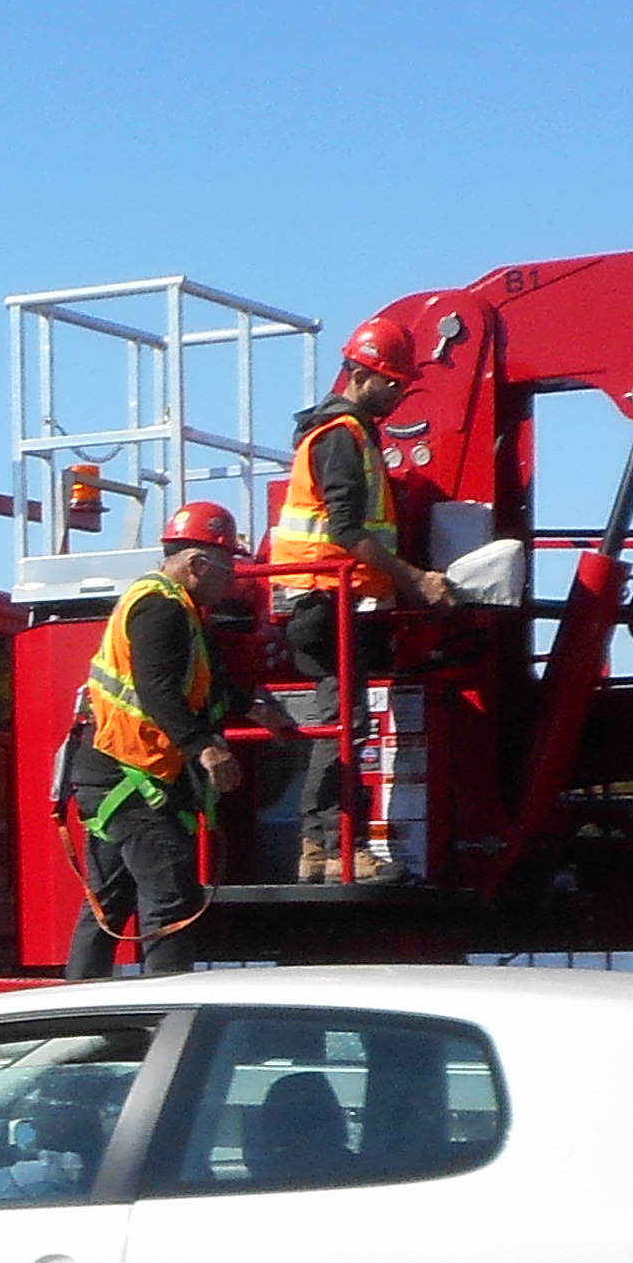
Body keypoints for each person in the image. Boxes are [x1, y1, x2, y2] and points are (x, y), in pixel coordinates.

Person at [261, 310, 457, 884]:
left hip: (334, 599)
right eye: (392, 383)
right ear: (360, 374)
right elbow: (347, 531)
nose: (399, 395)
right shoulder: (341, 438)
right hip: (324, 599)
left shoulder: (350, 435)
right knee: (344, 724)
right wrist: (415, 578)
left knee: (343, 723)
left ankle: (324, 849)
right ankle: (337, 846)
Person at [55, 501, 250, 977]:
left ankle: (83, 1018)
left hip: (114, 774)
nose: (234, 582)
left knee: (109, 903)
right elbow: (157, 687)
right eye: (228, 570)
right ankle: (165, 1020)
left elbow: (200, 685)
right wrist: (202, 746)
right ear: (196, 564)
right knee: (172, 902)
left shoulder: (177, 607)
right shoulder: (161, 607)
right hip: (131, 775)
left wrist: (251, 704)